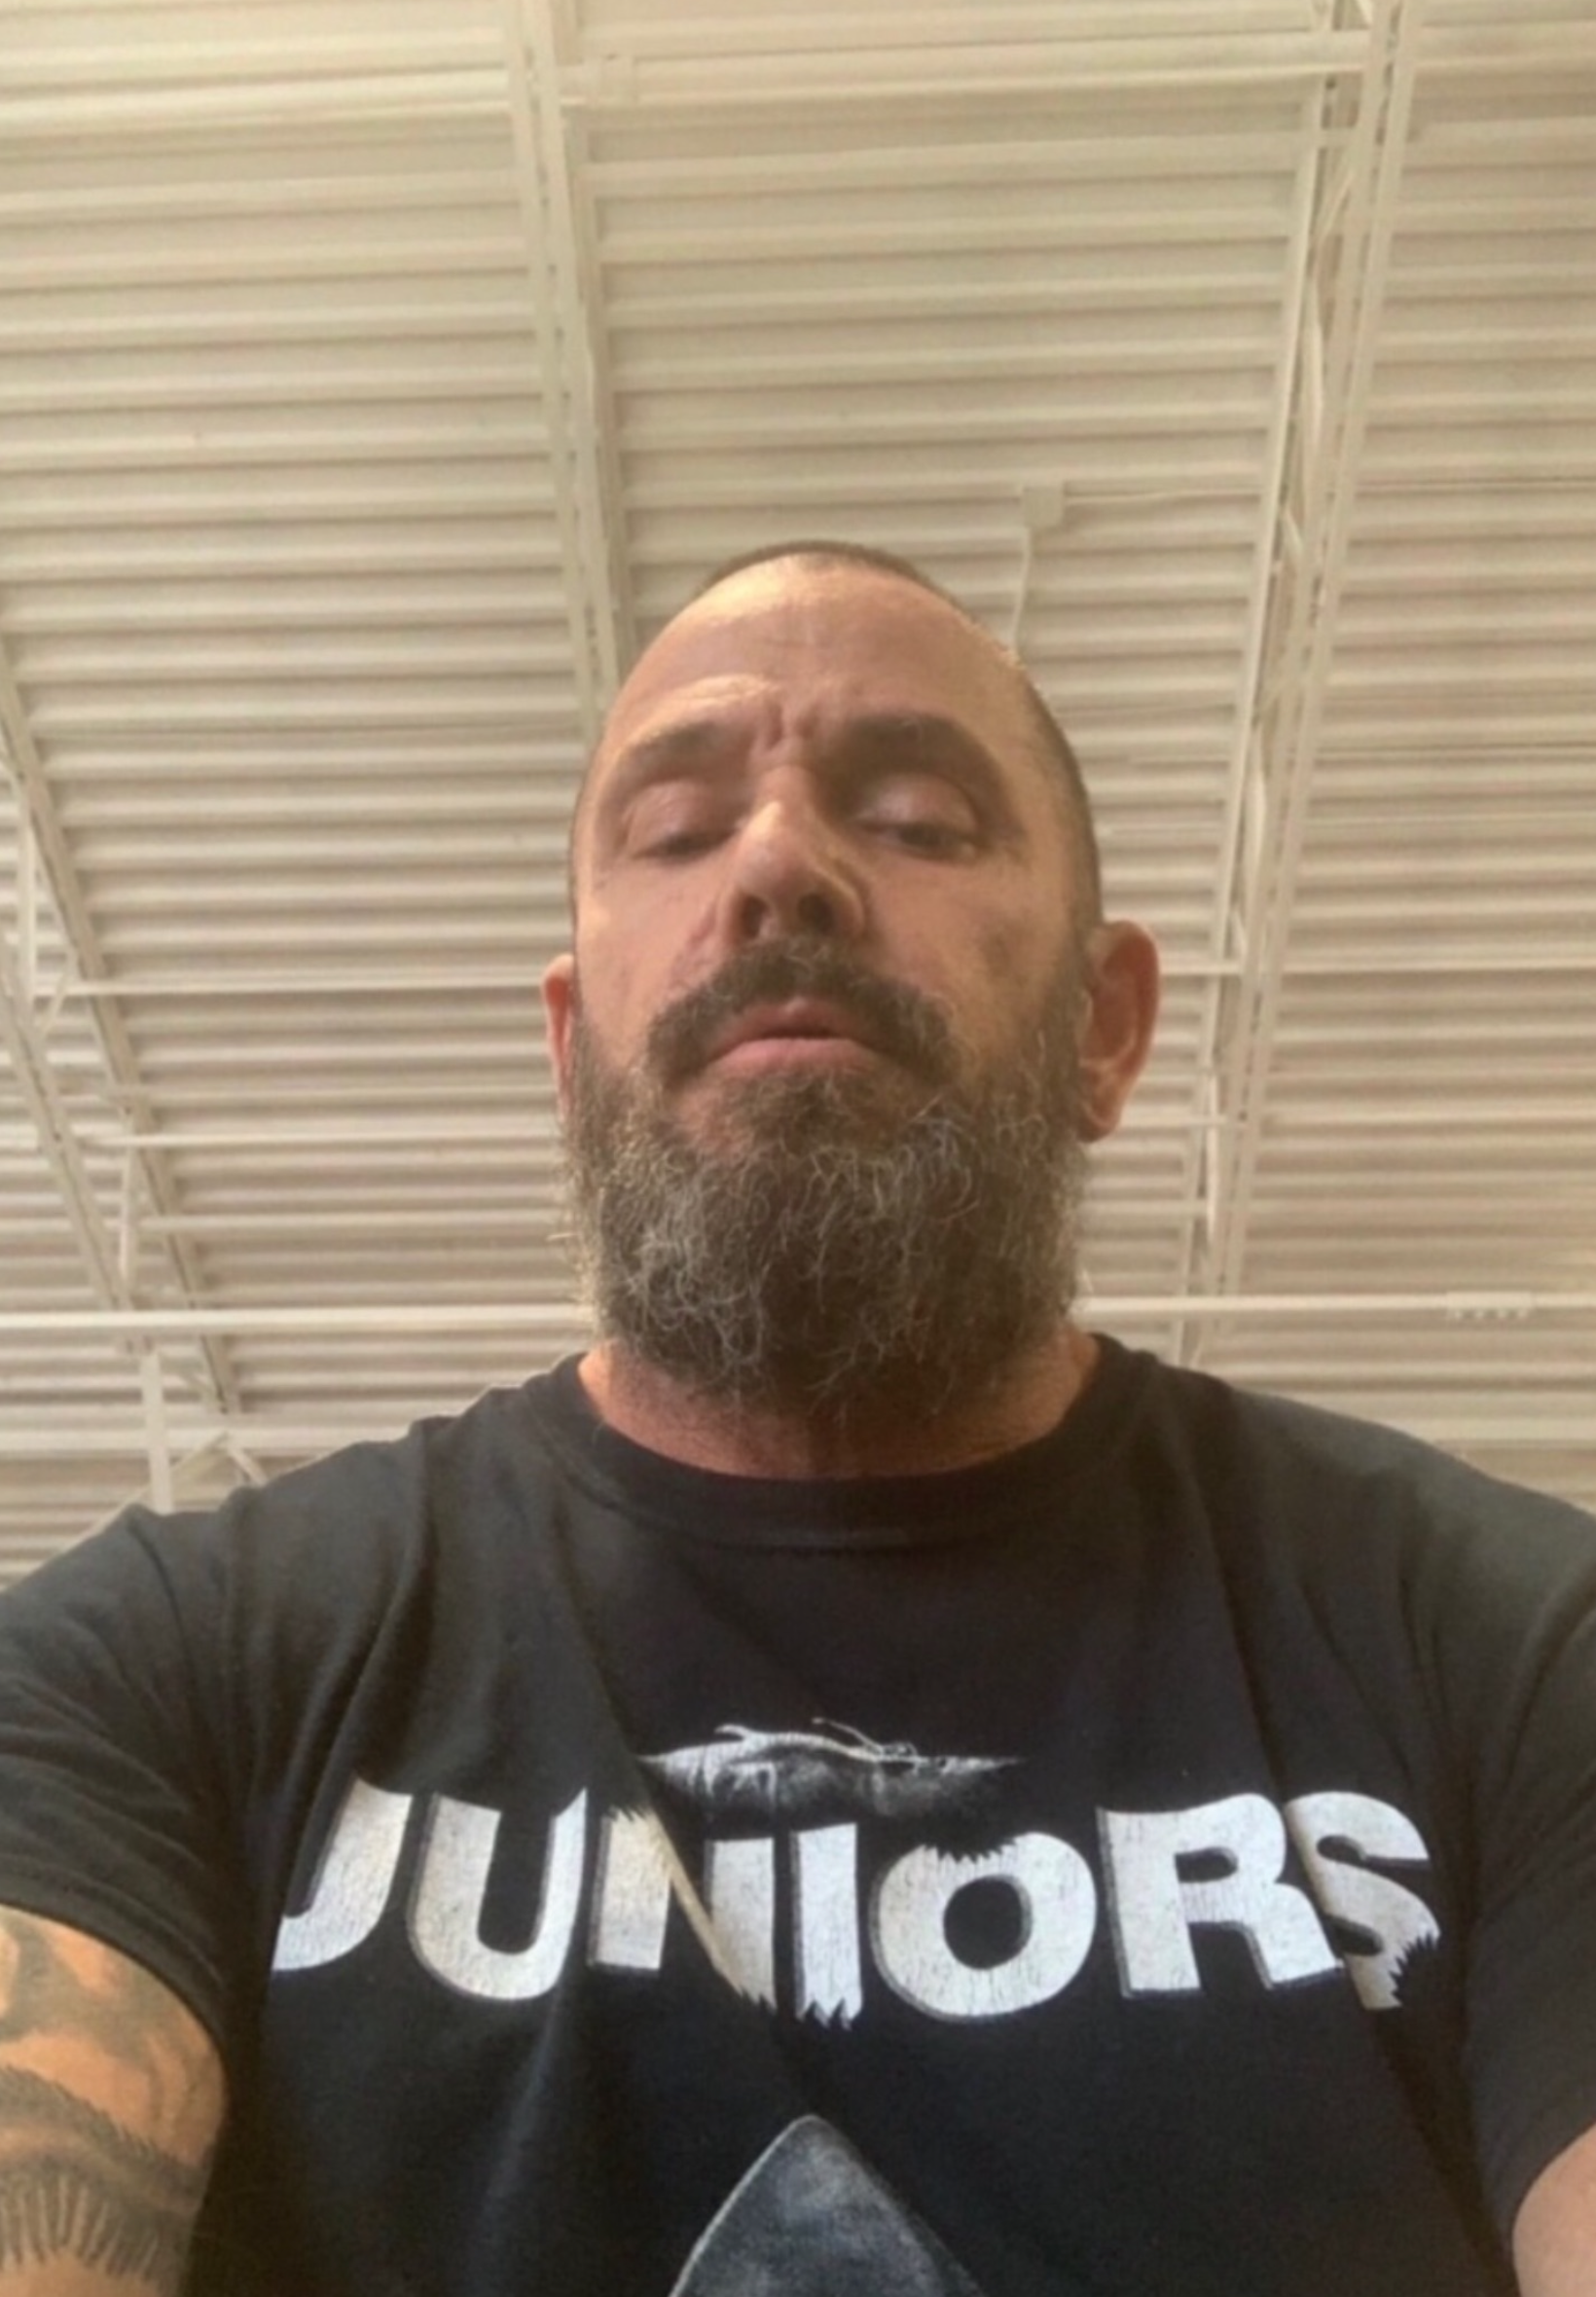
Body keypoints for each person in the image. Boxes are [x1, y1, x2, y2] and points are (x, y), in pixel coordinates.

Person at [0, 542, 1592, 2297]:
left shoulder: (1511, 1647)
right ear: (570, 1051)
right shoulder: (157, 1669)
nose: (777, 866)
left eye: (917, 819)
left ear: (1105, 1026)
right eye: (677, 830)